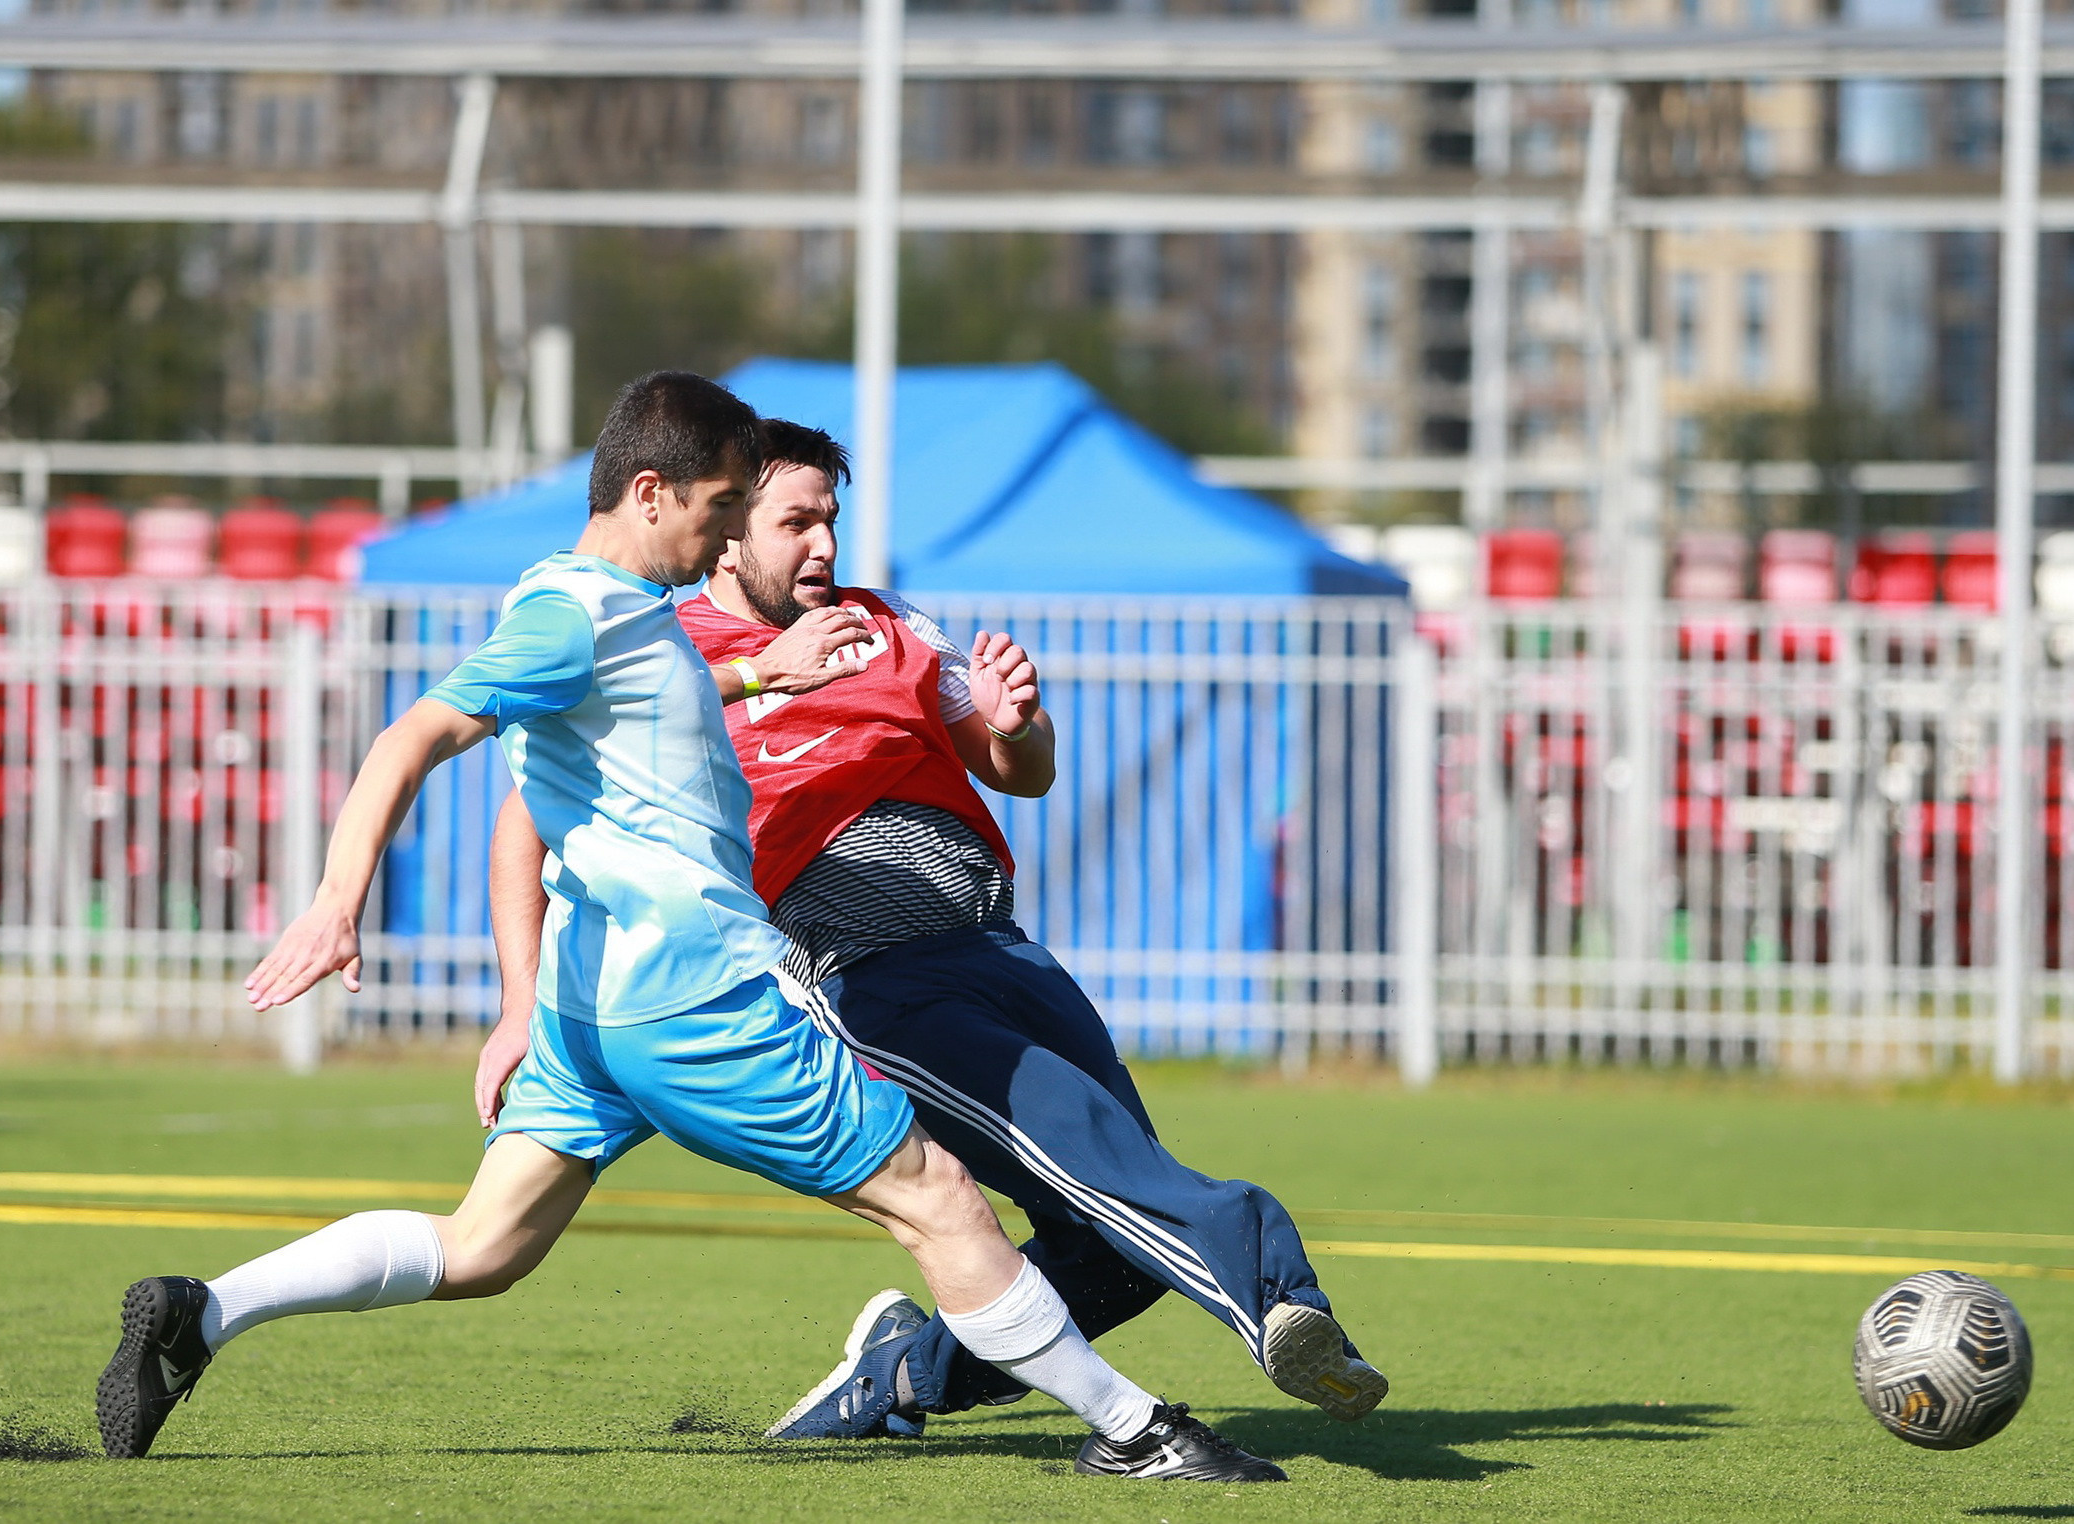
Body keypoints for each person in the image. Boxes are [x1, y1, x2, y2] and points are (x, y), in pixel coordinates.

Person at [94, 372, 1283, 1485]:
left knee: (484, 1248)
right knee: (938, 1198)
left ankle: (207, 1313)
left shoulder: (611, 607)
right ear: (650, 492)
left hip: (589, 1009)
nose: (726, 539)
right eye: (721, 509)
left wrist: (765, 677)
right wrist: (335, 901)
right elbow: (417, 736)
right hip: (696, 1000)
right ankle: (1135, 1432)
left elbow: (647, 694)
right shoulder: (578, 619)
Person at [479, 419, 1389, 1446]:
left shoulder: (895, 624)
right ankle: (1271, 1292)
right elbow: (524, 824)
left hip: (999, 947)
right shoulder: (668, 653)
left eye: (831, 519)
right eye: (795, 523)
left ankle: (901, 1373)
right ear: (727, 532)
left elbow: (1019, 773)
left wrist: (1015, 723)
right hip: (871, 975)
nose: (823, 544)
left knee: (1112, 1245)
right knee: (1093, 1156)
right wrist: (521, 1005)